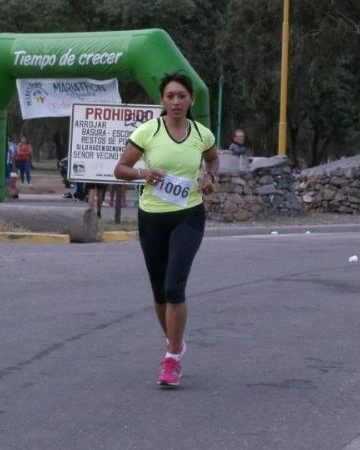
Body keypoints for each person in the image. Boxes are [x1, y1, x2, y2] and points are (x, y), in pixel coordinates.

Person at [114, 73, 219, 388]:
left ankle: (172, 357)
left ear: (191, 100)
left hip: (188, 216)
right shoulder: (148, 131)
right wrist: (144, 172)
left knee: (175, 287)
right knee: (160, 292)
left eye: (182, 96)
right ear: (163, 100)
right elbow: (120, 169)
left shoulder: (202, 134)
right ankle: (175, 342)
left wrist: (209, 178)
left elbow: (213, 162)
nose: (176, 102)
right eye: (170, 96)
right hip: (152, 217)